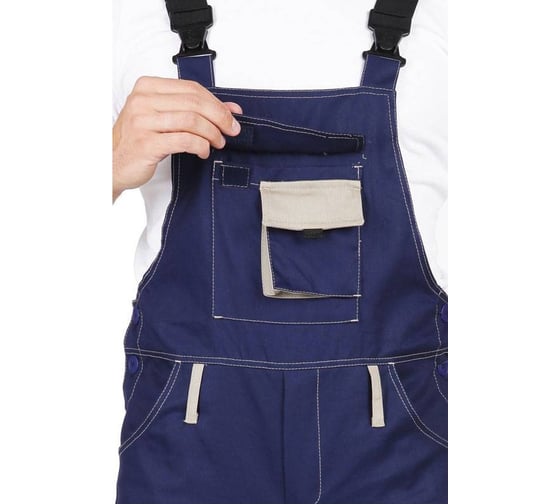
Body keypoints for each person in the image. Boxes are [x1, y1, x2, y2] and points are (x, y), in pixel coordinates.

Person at [113, 1, 448, 503]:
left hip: (392, 429)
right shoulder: (132, 16)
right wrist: (109, 160)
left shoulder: (449, 18)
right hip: (191, 427)